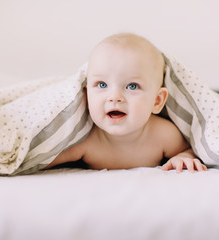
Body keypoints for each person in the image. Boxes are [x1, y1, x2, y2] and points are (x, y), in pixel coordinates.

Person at [46, 33, 207, 173]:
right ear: (87, 97)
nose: (115, 97)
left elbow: (190, 149)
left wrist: (184, 157)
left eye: (132, 86)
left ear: (157, 101)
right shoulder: (85, 140)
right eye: (102, 84)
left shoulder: (163, 135)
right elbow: (40, 158)